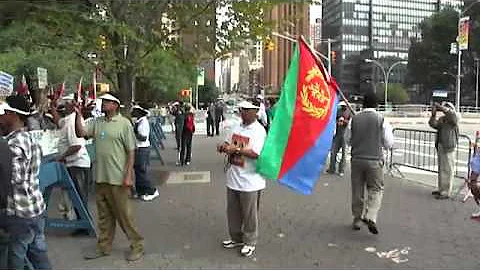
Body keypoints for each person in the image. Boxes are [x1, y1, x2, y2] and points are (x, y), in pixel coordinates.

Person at [74, 93, 144, 261]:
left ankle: (137, 245)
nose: (103, 104)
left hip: (118, 178)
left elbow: (131, 151)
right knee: (104, 217)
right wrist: (77, 114)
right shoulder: (97, 122)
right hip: (100, 177)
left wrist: (128, 175)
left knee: (124, 216)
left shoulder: (124, 124)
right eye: (103, 101)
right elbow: (81, 132)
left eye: (107, 101)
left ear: (115, 105)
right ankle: (104, 246)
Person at [0, 96, 52, 269]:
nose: (1, 118)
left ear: (13, 115)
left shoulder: (14, 144)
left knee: (15, 257)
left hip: (19, 212)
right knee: (38, 253)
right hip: (35, 207)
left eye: (4, 113)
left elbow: (13, 179)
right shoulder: (30, 139)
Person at [217, 100, 266, 258]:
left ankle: (250, 242)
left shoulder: (258, 131)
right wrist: (223, 146)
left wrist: (236, 149)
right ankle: (236, 238)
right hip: (233, 177)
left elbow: (256, 153)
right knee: (233, 211)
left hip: (250, 180)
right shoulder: (236, 126)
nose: (242, 112)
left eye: (246, 110)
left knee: (249, 214)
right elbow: (227, 141)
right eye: (241, 109)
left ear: (255, 112)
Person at [350, 91, 394, 235]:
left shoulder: (354, 119)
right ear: (376, 104)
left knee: (357, 189)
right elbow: (388, 142)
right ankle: (370, 216)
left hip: (357, 159)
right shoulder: (382, 120)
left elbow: (347, 139)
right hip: (375, 160)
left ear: (363, 103)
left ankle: (357, 219)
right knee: (376, 189)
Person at [55, 94, 92, 235]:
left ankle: (84, 226)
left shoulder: (72, 122)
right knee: (77, 196)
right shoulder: (67, 120)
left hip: (77, 164)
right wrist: (52, 107)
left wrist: (61, 157)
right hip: (75, 164)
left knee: (79, 197)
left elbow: (76, 146)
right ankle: (82, 224)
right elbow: (58, 122)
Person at [429, 101, 459, 200]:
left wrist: (442, 108)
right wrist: (433, 115)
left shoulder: (454, 117)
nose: (443, 109)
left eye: (446, 108)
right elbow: (433, 124)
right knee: (442, 169)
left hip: (449, 146)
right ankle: (441, 189)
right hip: (441, 145)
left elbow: (453, 118)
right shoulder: (443, 119)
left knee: (448, 169)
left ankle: (446, 192)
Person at [131, 105, 159, 201]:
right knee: (138, 171)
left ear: (139, 112)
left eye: (134, 111)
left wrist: (134, 132)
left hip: (142, 149)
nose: (132, 112)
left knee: (141, 171)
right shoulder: (138, 122)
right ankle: (141, 191)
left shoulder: (143, 122)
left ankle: (152, 190)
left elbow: (143, 138)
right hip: (138, 148)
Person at [327, 101, 351, 177]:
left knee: (344, 154)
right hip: (338, 134)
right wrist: (338, 121)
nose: (343, 108)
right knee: (333, 152)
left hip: (345, 135)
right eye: (342, 106)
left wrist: (344, 121)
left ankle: (341, 170)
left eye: (344, 106)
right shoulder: (338, 111)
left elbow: (351, 123)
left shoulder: (349, 112)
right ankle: (332, 168)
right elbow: (333, 119)